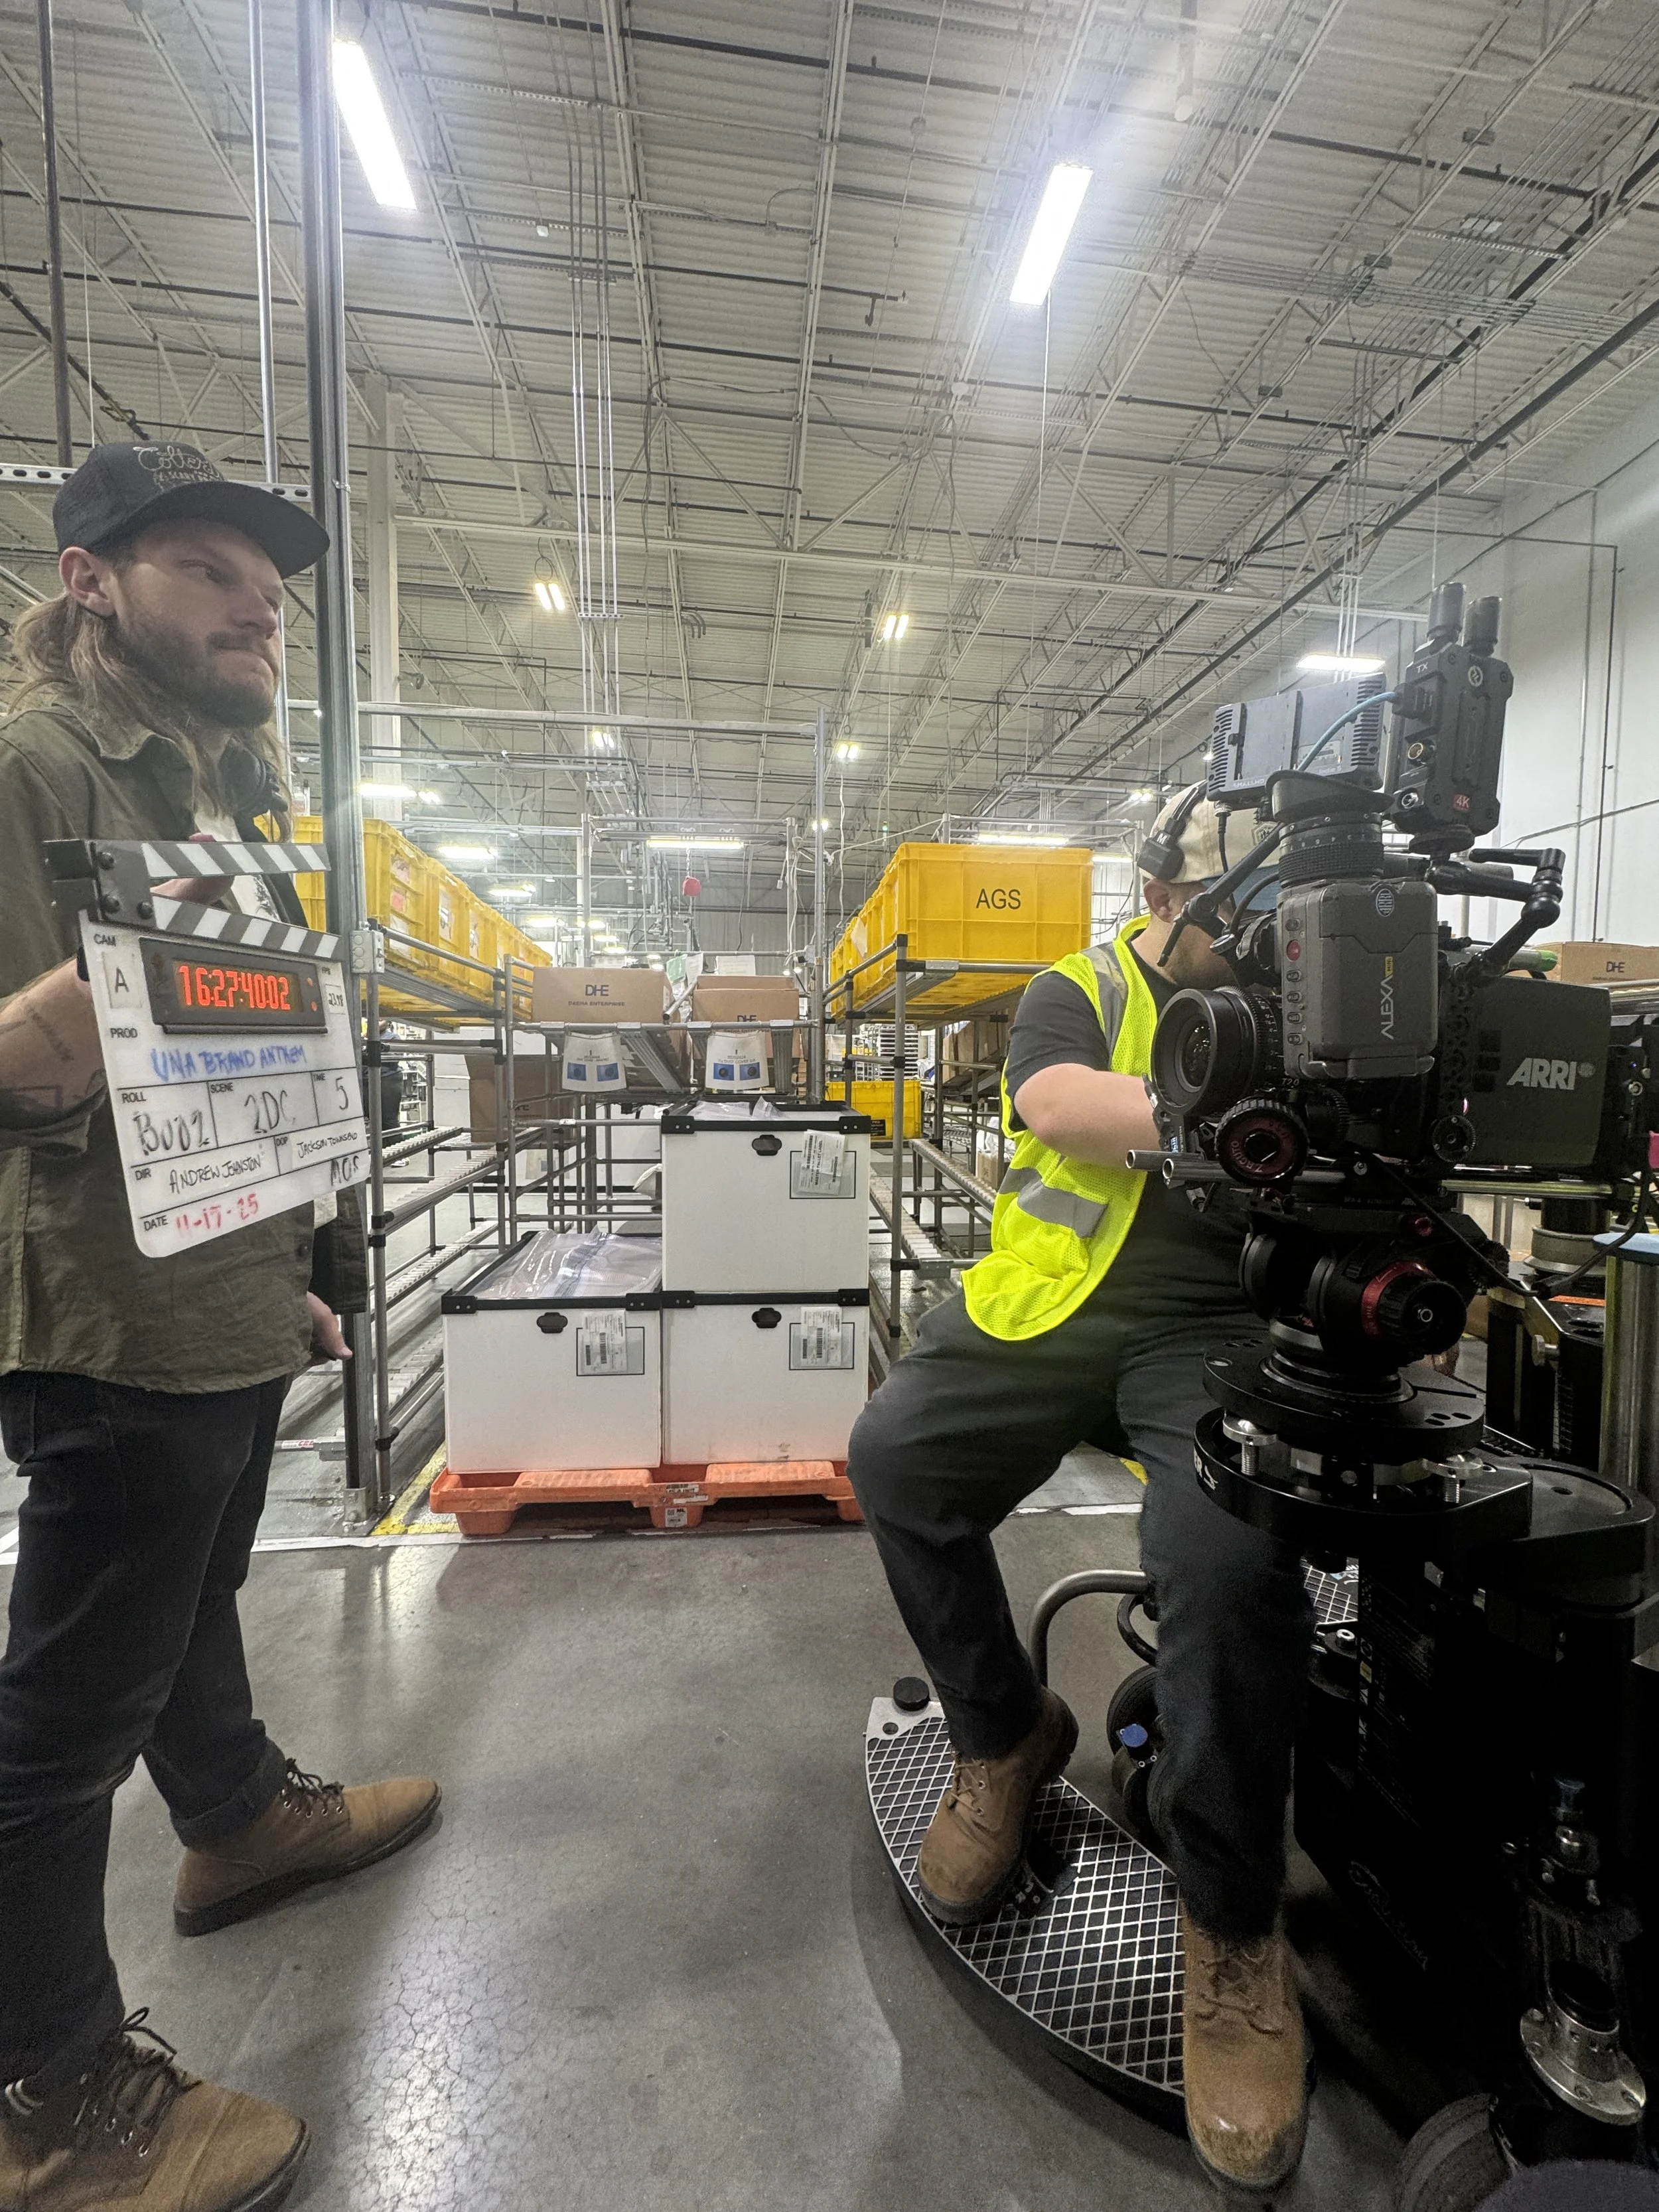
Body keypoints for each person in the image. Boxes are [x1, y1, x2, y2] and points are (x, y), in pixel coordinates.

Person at [0, 443, 440, 2212]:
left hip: (228, 1274)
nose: (259, 606)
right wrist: (65, 1009)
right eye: (206, 570)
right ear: (95, 578)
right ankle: (52, 2095)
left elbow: (261, 1052)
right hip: (108, 1297)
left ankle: (238, 1813)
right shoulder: (34, 763)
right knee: (65, 1706)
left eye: (268, 586)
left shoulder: (239, 791)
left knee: (196, 1581)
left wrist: (314, 1247)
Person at [847, 786, 1314, 2195]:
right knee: (895, 1456)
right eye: (1230, 923)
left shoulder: (1304, 991)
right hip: (1047, 1311)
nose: (1250, 953)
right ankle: (1003, 1733)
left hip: (1210, 1337)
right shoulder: (1080, 984)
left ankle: (1232, 1927)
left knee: (1229, 1564)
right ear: (1168, 901)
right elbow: (1055, 1101)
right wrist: (1236, 1115)